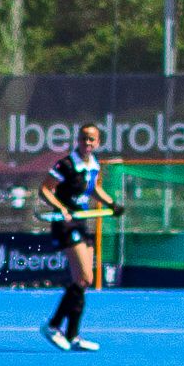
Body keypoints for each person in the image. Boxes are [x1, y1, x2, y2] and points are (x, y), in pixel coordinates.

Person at [39, 122, 122, 350]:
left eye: (92, 139)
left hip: (81, 223)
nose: (87, 143)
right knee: (84, 275)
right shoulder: (66, 164)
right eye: (84, 138)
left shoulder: (94, 164)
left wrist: (111, 204)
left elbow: (92, 188)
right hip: (66, 225)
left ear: (97, 142)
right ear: (78, 140)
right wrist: (61, 208)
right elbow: (45, 189)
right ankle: (54, 325)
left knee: (82, 281)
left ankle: (72, 335)